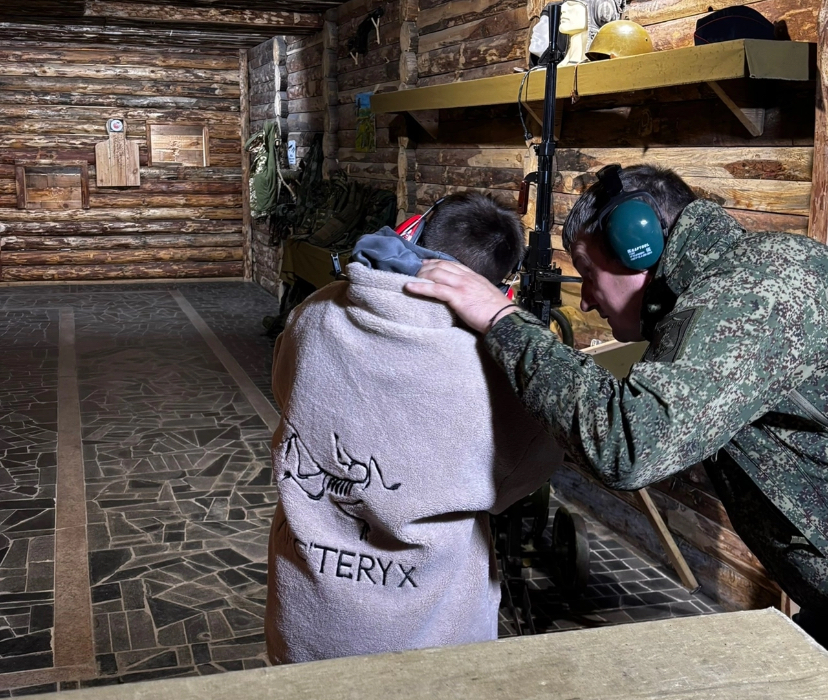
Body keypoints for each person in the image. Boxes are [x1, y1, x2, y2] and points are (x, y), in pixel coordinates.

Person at [406, 164, 828, 645]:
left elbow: (631, 444)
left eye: (588, 272)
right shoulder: (735, 277)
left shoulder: (759, 290)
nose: (586, 300)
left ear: (637, 242)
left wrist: (501, 318)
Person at [265, 191, 562, 665]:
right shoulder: (496, 367)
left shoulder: (314, 313)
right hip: (433, 627)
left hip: (308, 613)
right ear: (496, 285)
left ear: (413, 233)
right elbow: (524, 473)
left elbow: (286, 390)